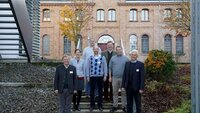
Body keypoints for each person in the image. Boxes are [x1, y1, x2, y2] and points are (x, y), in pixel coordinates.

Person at [85, 45, 107, 112]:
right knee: (92, 92)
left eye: (97, 49)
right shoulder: (90, 58)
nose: (96, 50)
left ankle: (100, 105)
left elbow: (105, 67)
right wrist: (88, 76)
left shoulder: (102, 57)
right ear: (93, 50)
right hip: (92, 77)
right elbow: (88, 67)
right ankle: (92, 105)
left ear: (99, 50)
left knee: (100, 92)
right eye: (95, 49)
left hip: (100, 76)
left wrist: (105, 75)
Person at [109, 46, 129, 113]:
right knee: (115, 93)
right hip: (115, 78)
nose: (119, 51)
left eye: (120, 50)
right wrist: (110, 77)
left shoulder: (126, 59)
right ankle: (115, 106)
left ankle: (124, 106)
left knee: (124, 93)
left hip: (123, 79)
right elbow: (110, 68)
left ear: (122, 50)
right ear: (116, 51)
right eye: (117, 50)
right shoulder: (113, 58)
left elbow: (128, 69)